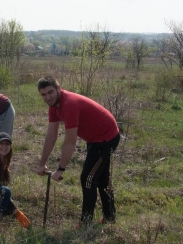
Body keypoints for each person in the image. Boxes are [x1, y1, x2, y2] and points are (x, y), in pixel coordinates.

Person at [35, 75, 120, 228]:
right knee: (101, 179)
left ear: (58, 88)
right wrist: (42, 164)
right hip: (95, 139)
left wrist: (60, 169)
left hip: (106, 138)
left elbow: (70, 141)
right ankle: (110, 218)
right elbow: (51, 135)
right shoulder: (54, 106)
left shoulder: (69, 105)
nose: (47, 97)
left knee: (88, 178)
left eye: (50, 92)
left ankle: (86, 221)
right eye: (43, 94)